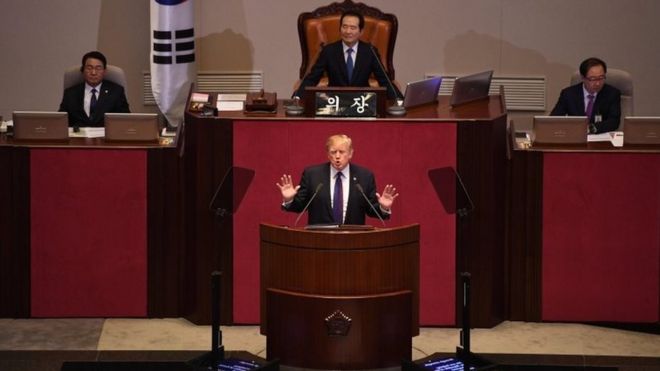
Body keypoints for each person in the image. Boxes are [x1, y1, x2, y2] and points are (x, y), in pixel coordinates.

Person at [276, 134, 398, 225]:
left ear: (350, 154)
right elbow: (301, 206)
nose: (337, 156)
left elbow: (372, 210)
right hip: (318, 240)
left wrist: (384, 207)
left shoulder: (364, 176)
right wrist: (289, 199)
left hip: (354, 241)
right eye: (333, 152)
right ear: (328, 155)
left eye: (342, 152)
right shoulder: (312, 174)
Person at [293, 10, 401, 100]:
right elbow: (312, 78)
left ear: (361, 31)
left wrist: (399, 100)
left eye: (353, 28)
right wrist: (297, 97)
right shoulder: (329, 51)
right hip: (334, 101)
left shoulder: (370, 51)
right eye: (344, 26)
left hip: (362, 101)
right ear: (340, 28)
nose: (348, 31)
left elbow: (384, 80)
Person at [550, 57, 621, 134]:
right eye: (593, 79)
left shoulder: (612, 93)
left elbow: (614, 121)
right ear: (583, 78)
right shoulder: (568, 94)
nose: (597, 83)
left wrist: (591, 128)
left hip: (600, 138)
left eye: (601, 78)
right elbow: (554, 119)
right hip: (575, 136)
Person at [59, 51, 130, 127]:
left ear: (104, 71)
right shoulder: (70, 93)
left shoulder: (116, 92)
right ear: (83, 71)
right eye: (89, 68)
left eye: (98, 68)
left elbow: (126, 120)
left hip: (105, 137)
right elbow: (60, 121)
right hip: (78, 137)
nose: (93, 72)